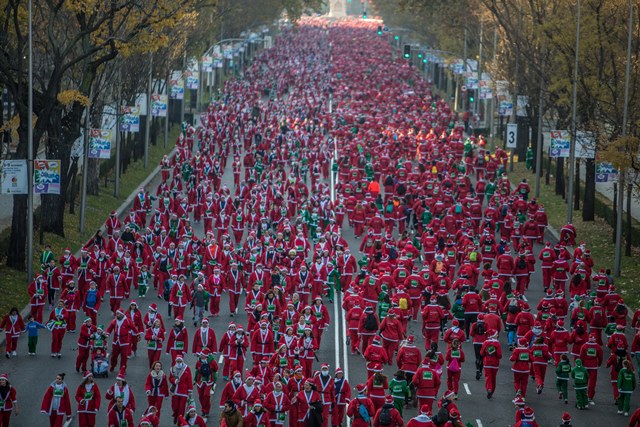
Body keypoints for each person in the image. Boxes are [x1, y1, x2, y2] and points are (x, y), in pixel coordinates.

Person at [170, 353, 193, 425]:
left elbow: (189, 379)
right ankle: (175, 415)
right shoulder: (172, 369)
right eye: (178, 361)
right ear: (176, 361)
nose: (179, 363)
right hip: (175, 390)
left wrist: (190, 390)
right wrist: (174, 381)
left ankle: (180, 422)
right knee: (175, 406)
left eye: (180, 361)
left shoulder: (187, 368)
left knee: (182, 408)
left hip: (184, 391)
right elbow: (170, 378)